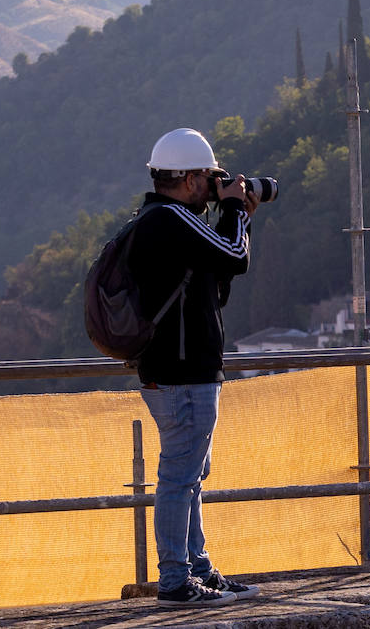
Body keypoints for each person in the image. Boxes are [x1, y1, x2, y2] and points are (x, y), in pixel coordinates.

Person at [131, 128, 261, 608]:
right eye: (209, 176)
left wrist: (239, 218)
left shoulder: (166, 220)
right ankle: (175, 581)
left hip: (181, 371)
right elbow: (233, 257)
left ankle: (198, 569)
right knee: (180, 477)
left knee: (190, 474)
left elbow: (219, 279)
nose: (215, 184)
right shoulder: (169, 220)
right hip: (182, 374)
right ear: (187, 178)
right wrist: (232, 211)